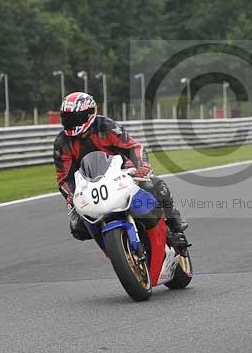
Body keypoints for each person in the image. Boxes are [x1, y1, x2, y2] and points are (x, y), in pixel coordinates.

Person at [53, 92, 187, 241]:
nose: (70, 122)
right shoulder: (62, 143)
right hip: (89, 186)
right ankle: (111, 245)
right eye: (66, 118)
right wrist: (71, 197)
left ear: (89, 114)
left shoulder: (106, 127)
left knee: (155, 184)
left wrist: (141, 166)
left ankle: (173, 218)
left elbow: (133, 147)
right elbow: (64, 178)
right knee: (78, 227)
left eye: (74, 118)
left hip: (121, 173)